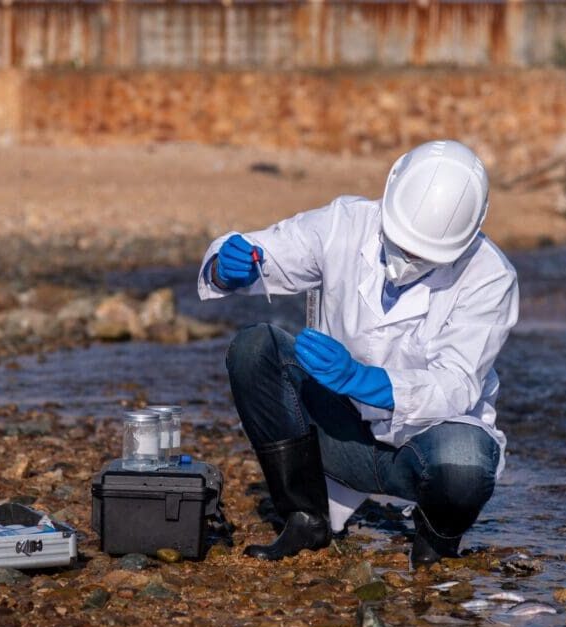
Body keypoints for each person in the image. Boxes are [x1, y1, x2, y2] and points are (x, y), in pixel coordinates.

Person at [197, 140, 519, 566]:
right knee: (256, 348)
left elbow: (456, 384)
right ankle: (305, 516)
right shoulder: (344, 223)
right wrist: (227, 265)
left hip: (423, 444)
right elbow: (267, 253)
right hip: (337, 429)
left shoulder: (491, 276)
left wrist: (366, 381)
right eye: (402, 241)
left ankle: (437, 539)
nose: (408, 257)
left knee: (465, 464)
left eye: (425, 255)